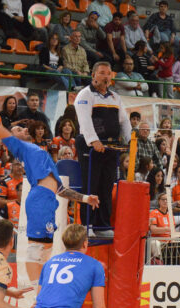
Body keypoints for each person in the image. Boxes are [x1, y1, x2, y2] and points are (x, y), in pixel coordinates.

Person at [0, 121, 99, 294]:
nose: (23, 130)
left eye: (23, 128)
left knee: (46, 251)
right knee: (35, 250)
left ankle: (42, 294)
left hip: (49, 201)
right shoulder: (20, 146)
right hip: (39, 200)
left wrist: (85, 198)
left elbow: (60, 189)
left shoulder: (37, 152)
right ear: (10, 137)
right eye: (17, 129)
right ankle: (40, 297)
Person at [74, 61, 131, 238]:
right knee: (91, 184)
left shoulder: (115, 97)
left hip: (111, 146)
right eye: (102, 73)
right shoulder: (85, 94)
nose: (106, 77)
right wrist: (93, 140)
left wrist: (129, 141)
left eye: (108, 73)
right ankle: (87, 224)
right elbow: (84, 120)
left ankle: (103, 224)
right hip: (90, 146)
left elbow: (124, 121)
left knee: (107, 186)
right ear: (93, 75)